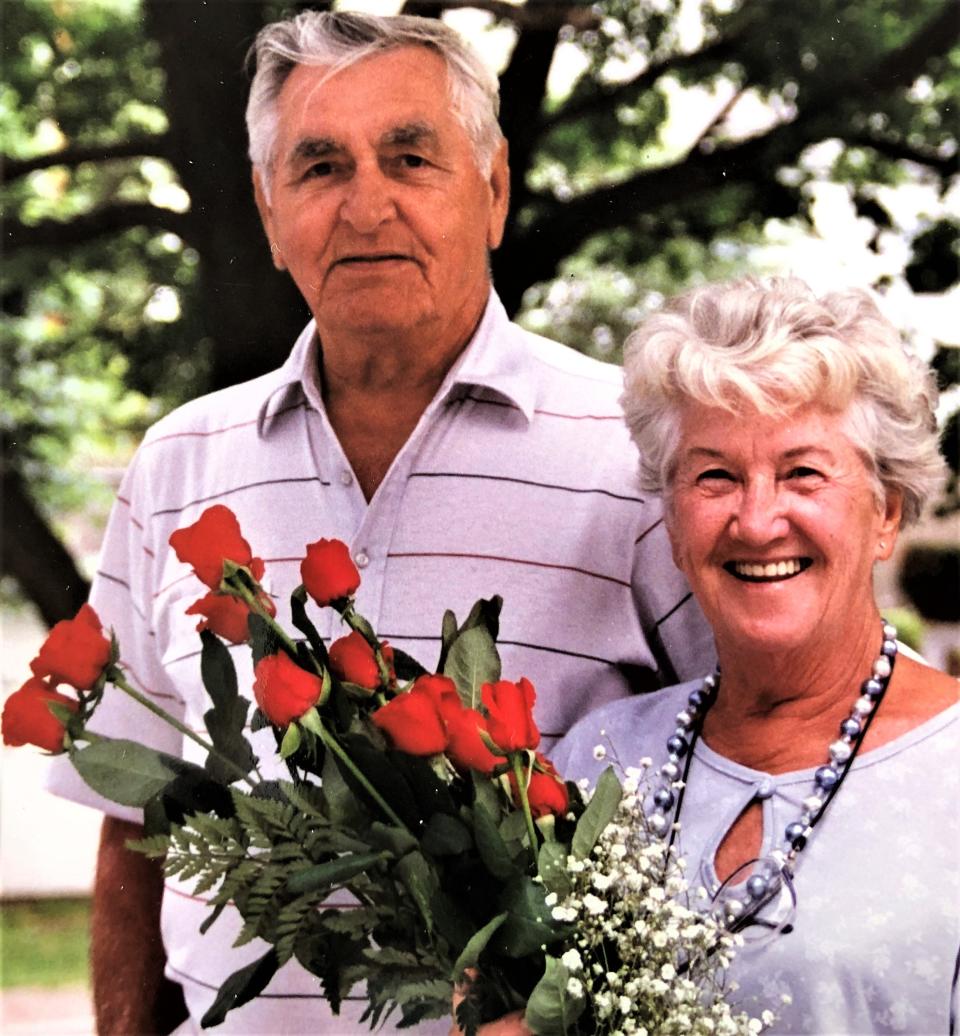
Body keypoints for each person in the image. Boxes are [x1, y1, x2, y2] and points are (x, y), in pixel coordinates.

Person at [47, 12, 714, 1034]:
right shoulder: (179, 464)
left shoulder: (638, 459)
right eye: (319, 168)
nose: (367, 204)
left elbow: (749, 772)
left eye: (410, 157)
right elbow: (139, 823)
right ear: (270, 214)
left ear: (492, 192)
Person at [554, 276, 960, 1034]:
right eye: (716, 476)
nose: (757, 519)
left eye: (803, 472)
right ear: (673, 527)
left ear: (887, 514)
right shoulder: (596, 761)